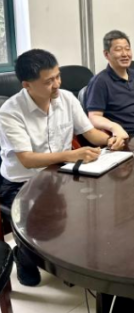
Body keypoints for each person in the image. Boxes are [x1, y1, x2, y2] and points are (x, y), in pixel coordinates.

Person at [0, 49, 123, 286]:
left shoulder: (66, 98)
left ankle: (70, 262)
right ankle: (23, 256)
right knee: (40, 219)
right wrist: (72, 155)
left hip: (60, 173)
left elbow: (90, 133)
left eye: (57, 76)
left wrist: (111, 139)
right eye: (49, 81)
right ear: (27, 85)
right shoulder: (10, 112)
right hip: (21, 182)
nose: (57, 84)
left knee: (95, 205)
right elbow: (27, 159)